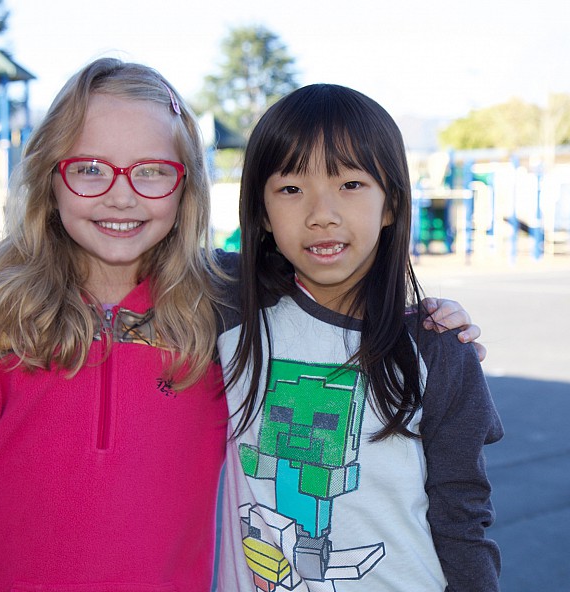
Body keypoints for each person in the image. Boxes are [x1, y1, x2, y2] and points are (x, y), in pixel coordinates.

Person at [0, 59, 483, 591]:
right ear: (51, 178)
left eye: (152, 171)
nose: (121, 195)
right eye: (90, 168)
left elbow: (331, 283)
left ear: (187, 190)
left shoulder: (223, 306)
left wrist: (424, 320)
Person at [215, 84, 503, 591]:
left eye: (350, 184)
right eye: (290, 188)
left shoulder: (437, 348)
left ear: (390, 203)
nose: (321, 212)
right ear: (260, 212)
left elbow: (463, 518)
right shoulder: (225, 309)